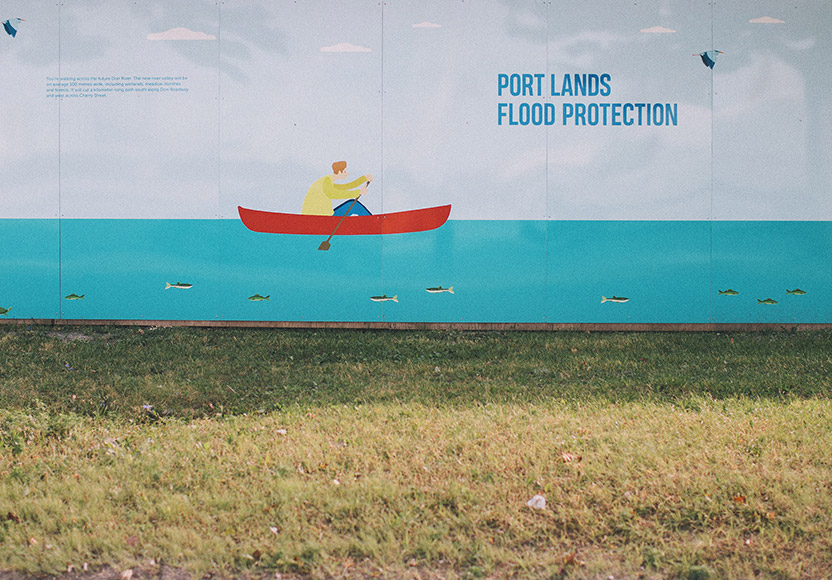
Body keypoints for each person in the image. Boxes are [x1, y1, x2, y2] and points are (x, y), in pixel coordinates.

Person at [301, 161, 374, 216]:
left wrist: (364, 178)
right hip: (321, 218)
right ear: (339, 172)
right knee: (354, 205)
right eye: (345, 171)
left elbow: (345, 187)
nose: (347, 173)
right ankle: (374, 222)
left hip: (322, 217)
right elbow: (333, 194)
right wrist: (358, 192)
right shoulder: (326, 181)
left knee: (352, 204)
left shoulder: (328, 181)